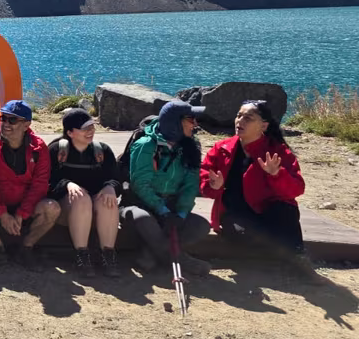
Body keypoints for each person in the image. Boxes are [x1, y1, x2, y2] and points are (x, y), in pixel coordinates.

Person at [201, 101, 315, 277]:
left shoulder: (277, 151)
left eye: (248, 118)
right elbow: (204, 181)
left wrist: (277, 174)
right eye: (239, 116)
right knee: (240, 236)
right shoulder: (221, 149)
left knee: (287, 211)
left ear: (264, 126)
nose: (240, 121)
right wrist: (213, 186)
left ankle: (299, 259)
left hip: (267, 212)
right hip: (235, 213)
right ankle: (276, 256)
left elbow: (296, 189)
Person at [120, 101, 212, 275]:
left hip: (171, 207)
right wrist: (162, 210)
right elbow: (140, 185)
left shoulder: (190, 146)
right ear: (174, 123)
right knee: (143, 218)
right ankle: (180, 259)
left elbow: (190, 185)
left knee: (201, 226)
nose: (195, 124)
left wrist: (182, 213)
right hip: (140, 204)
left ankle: (150, 253)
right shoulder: (146, 145)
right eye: (190, 120)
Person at [0, 101, 59, 270]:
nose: (6, 124)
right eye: (3, 118)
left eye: (12, 120)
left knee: (52, 208)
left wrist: (21, 214)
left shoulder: (39, 148)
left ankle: (26, 249)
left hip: (25, 207)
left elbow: (39, 185)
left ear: (26, 125)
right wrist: (2, 214)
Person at [48, 108, 122, 278]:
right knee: (82, 198)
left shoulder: (102, 151)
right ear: (70, 133)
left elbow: (116, 179)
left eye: (92, 127)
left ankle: (108, 255)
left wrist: (110, 187)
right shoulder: (56, 151)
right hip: (67, 208)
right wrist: (67, 184)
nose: (90, 131)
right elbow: (47, 182)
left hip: (95, 208)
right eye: (84, 128)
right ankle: (82, 255)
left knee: (108, 200)